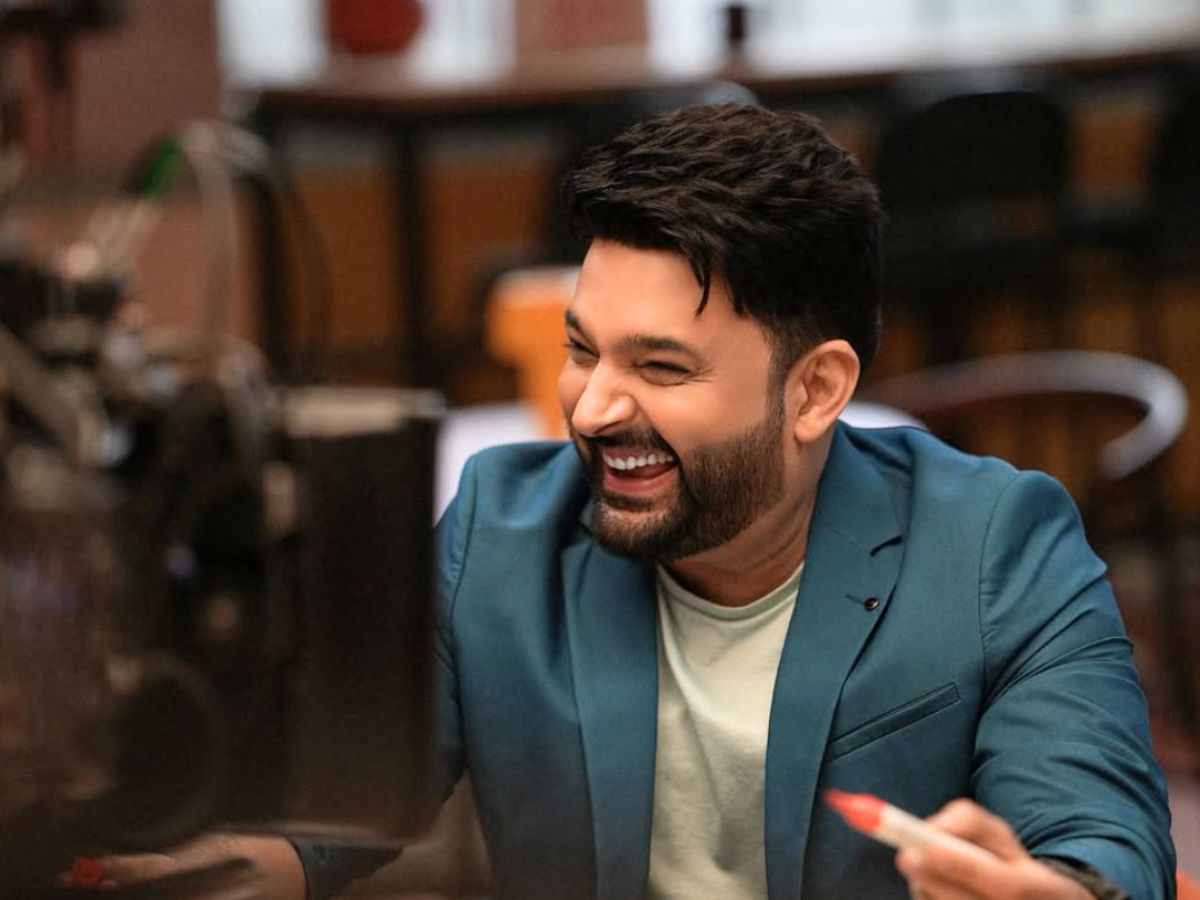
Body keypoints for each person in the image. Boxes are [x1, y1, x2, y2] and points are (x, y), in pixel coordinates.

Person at [99, 103, 1174, 899]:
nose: (593, 407)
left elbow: (1104, 837)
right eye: (583, 349)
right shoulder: (500, 533)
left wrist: (1058, 889)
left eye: (660, 368)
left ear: (815, 390)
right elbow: (323, 811)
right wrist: (181, 860)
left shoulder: (995, 547)